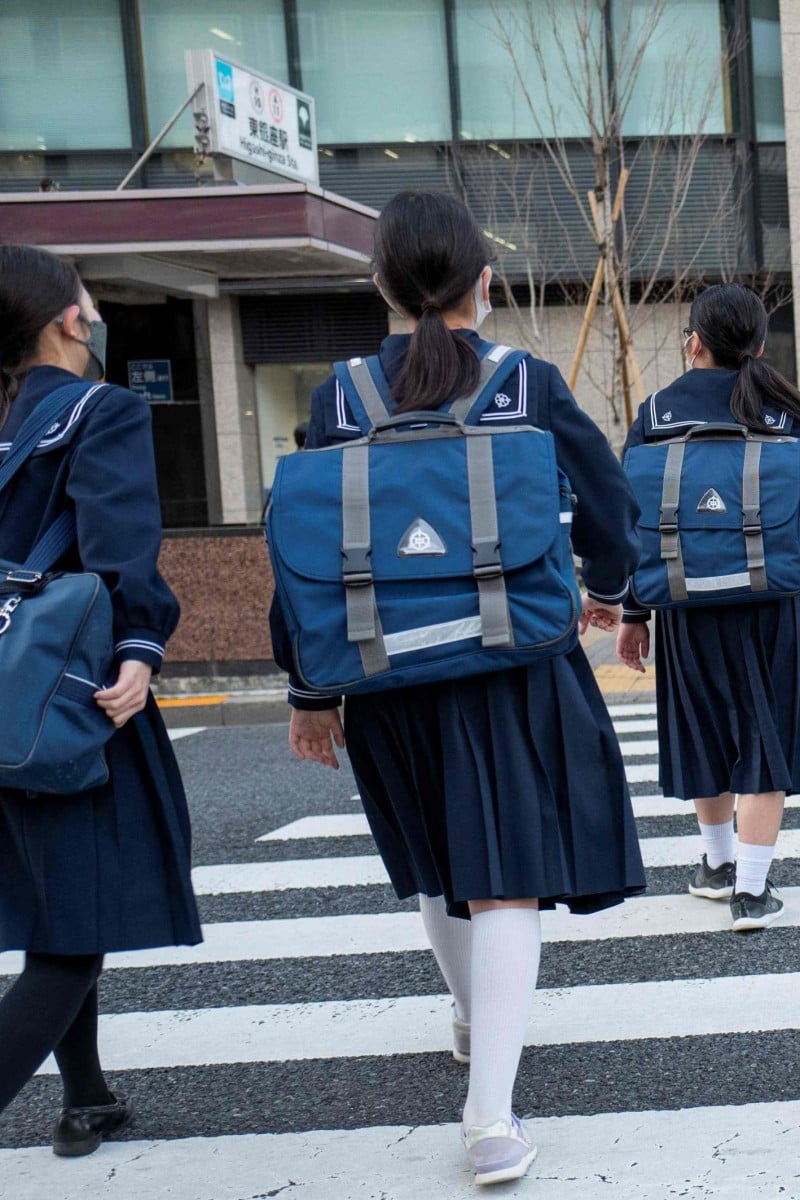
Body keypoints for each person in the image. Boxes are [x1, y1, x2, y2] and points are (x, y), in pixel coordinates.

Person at [270, 191, 645, 1187]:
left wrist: (311, 692)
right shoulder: (520, 380)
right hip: (513, 660)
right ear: (484, 281)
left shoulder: (341, 396)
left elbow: (303, 554)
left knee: (437, 863)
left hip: (384, 670)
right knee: (506, 871)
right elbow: (606, 500)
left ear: (381, 288)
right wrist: (606, 596)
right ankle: (488, 1119)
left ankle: (473, 1021)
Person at [0, 245, 201, 1155]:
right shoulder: (101, 408)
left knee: (52, 905)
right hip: (65, 693)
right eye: (87, 300)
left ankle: (85, 1095)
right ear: (67, 321)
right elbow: (121, 542)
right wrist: (139, 650)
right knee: (75, 927)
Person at [617, 283, 800, 932]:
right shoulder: (785, 407)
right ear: (757, 344)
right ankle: (752, 891)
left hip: (684, 605)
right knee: (764, 737)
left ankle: (718, 868)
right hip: (775, 604)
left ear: (694, 341)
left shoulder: (657, 412)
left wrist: (633, 614)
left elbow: (630, 519)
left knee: (705, 732)